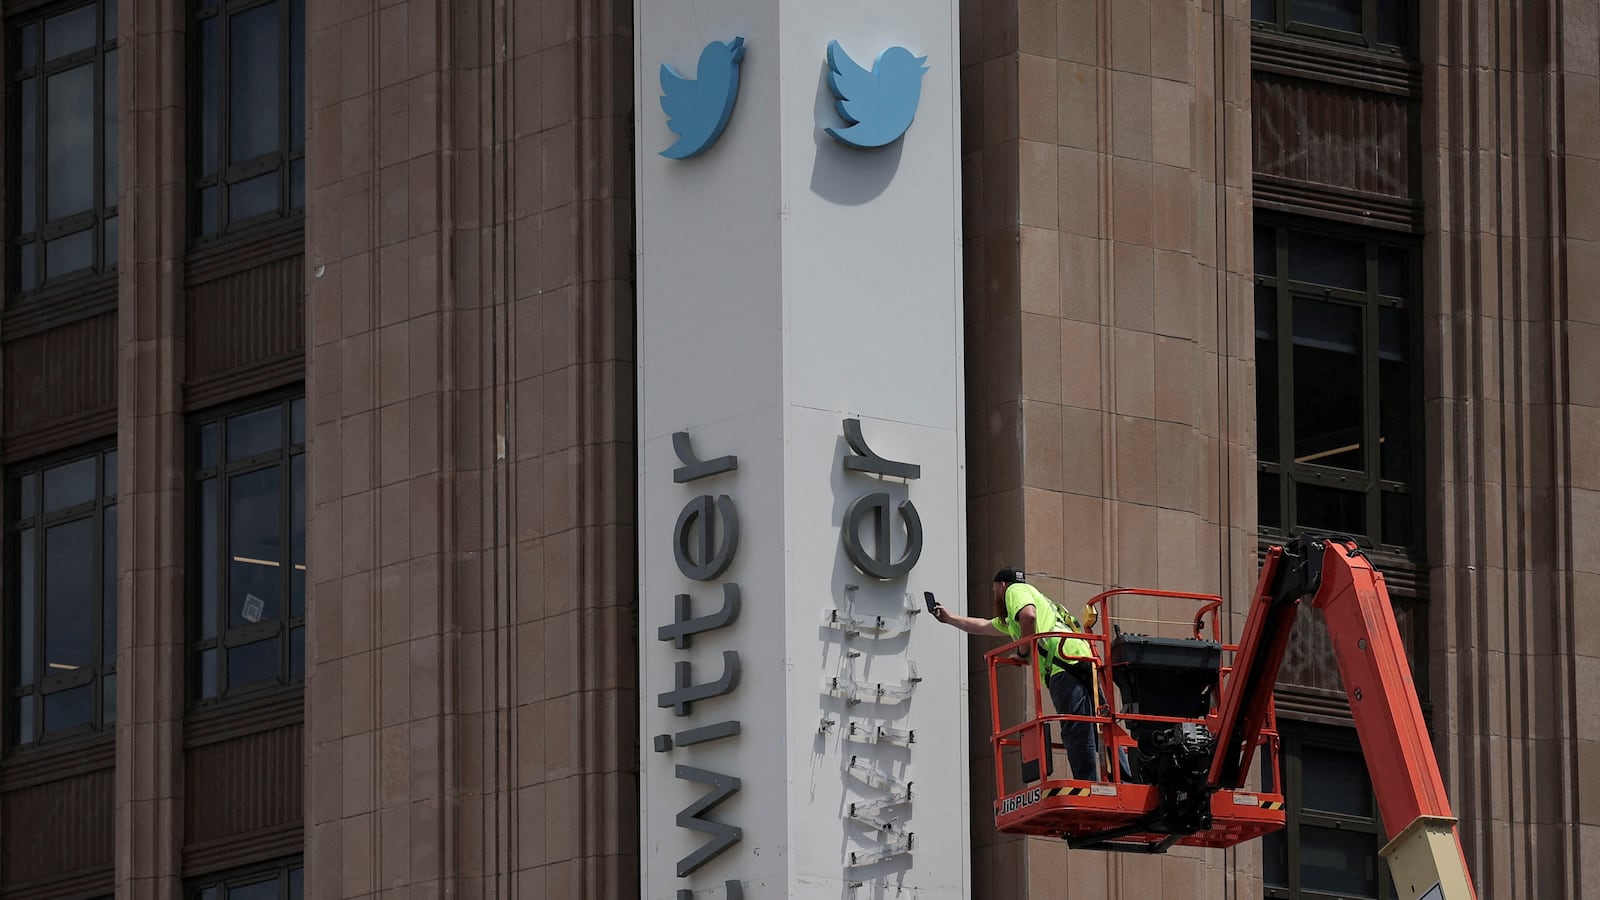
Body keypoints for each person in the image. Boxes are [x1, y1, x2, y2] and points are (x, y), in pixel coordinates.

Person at [931, 567, 1100, 781]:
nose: (995, 597)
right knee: (1103, 724)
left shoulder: (1015, 590)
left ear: (1001, 586)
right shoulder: (1021, 614)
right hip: (1080, 658)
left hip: (1061, 664)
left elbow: (1028, 615)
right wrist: (950, 618)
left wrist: (1023, 651)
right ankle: (1124, 777)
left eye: (994, 591)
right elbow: (984, 626)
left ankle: (1086, 785)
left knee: (1075, 728)